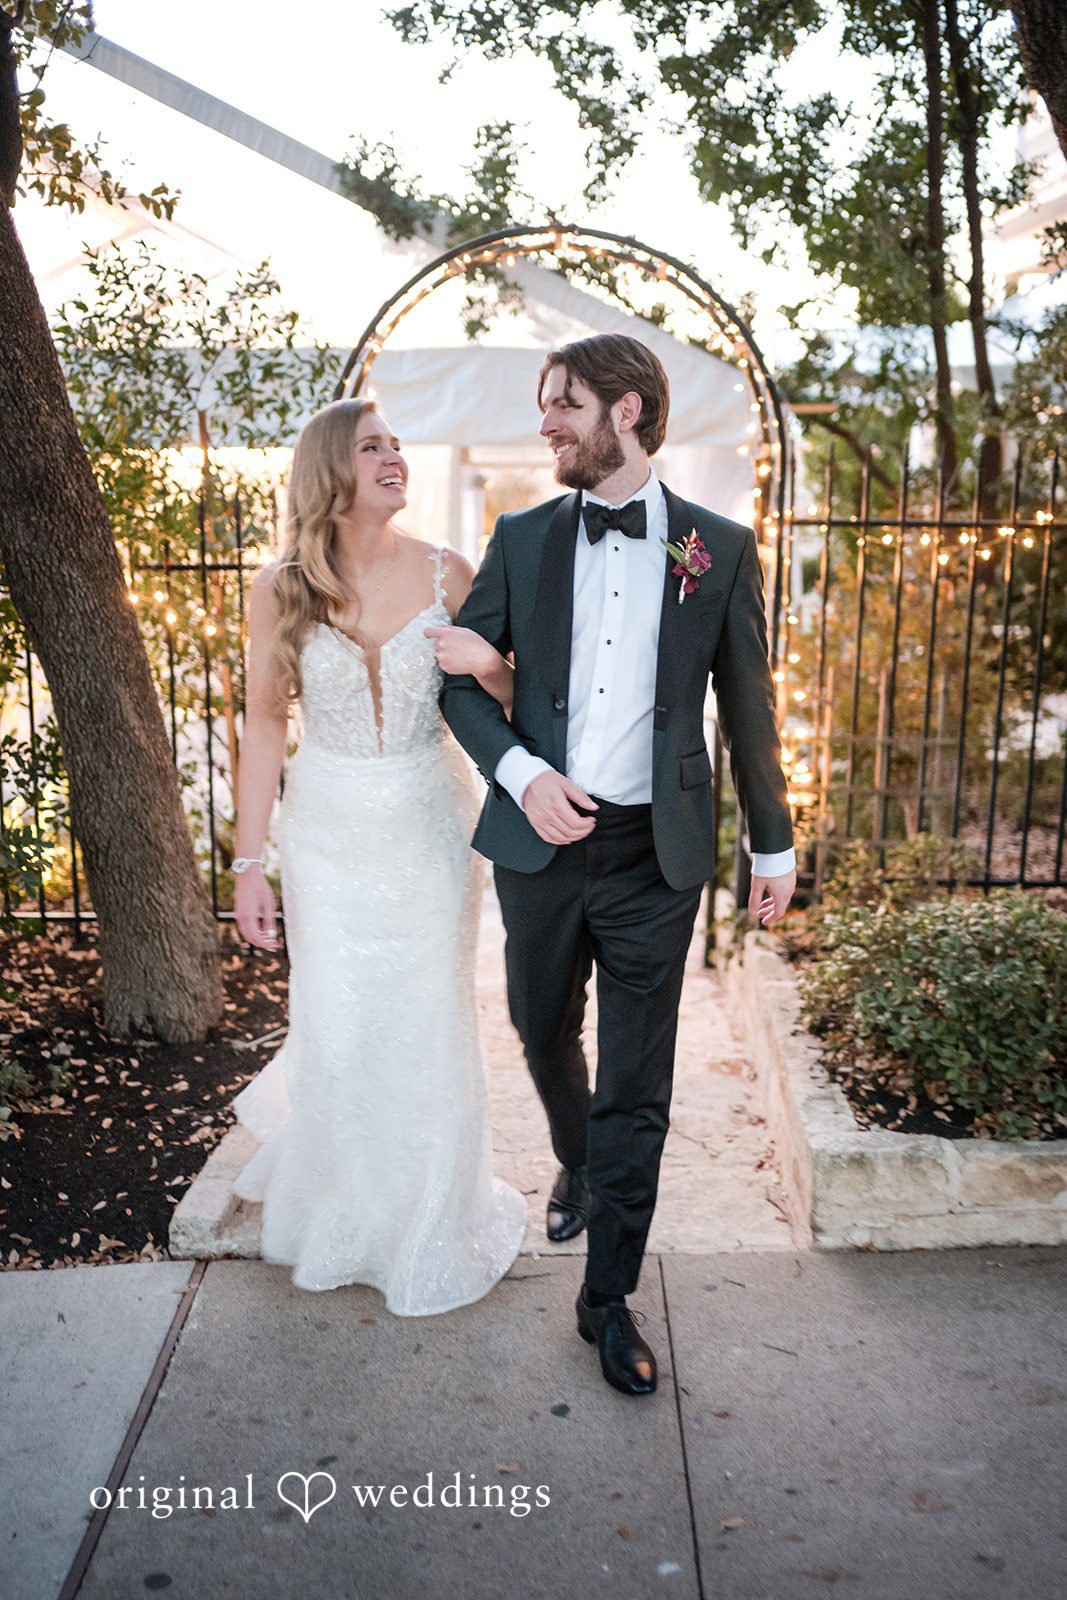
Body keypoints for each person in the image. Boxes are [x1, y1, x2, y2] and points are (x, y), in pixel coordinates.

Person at [438, 333, 796, 1393]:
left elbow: (748, 706)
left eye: (563, 403)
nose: (544, 421)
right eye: (544, 403)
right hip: (539, 844)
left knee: (636, 1085)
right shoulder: (522, 536)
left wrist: (768, 842)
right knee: (538, 1024)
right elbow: (460, 683)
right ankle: (575, 1157)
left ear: (627, 411)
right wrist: (519, 776)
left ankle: (606, 1299)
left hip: (654, 856)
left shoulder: (716, 548)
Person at [228, 396, 526, 1316]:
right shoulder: (277, 588)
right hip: (324, 833)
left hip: (429, 823)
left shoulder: (451, 570)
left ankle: (433, 1212)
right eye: (372, 447)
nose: (395, 458)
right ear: (331, 469)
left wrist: (489, 662)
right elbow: (264, 728)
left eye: (398, 445)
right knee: (342, 1018)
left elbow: (506, 699)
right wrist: (248, 865)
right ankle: (347, 1205)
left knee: (428, 1013)